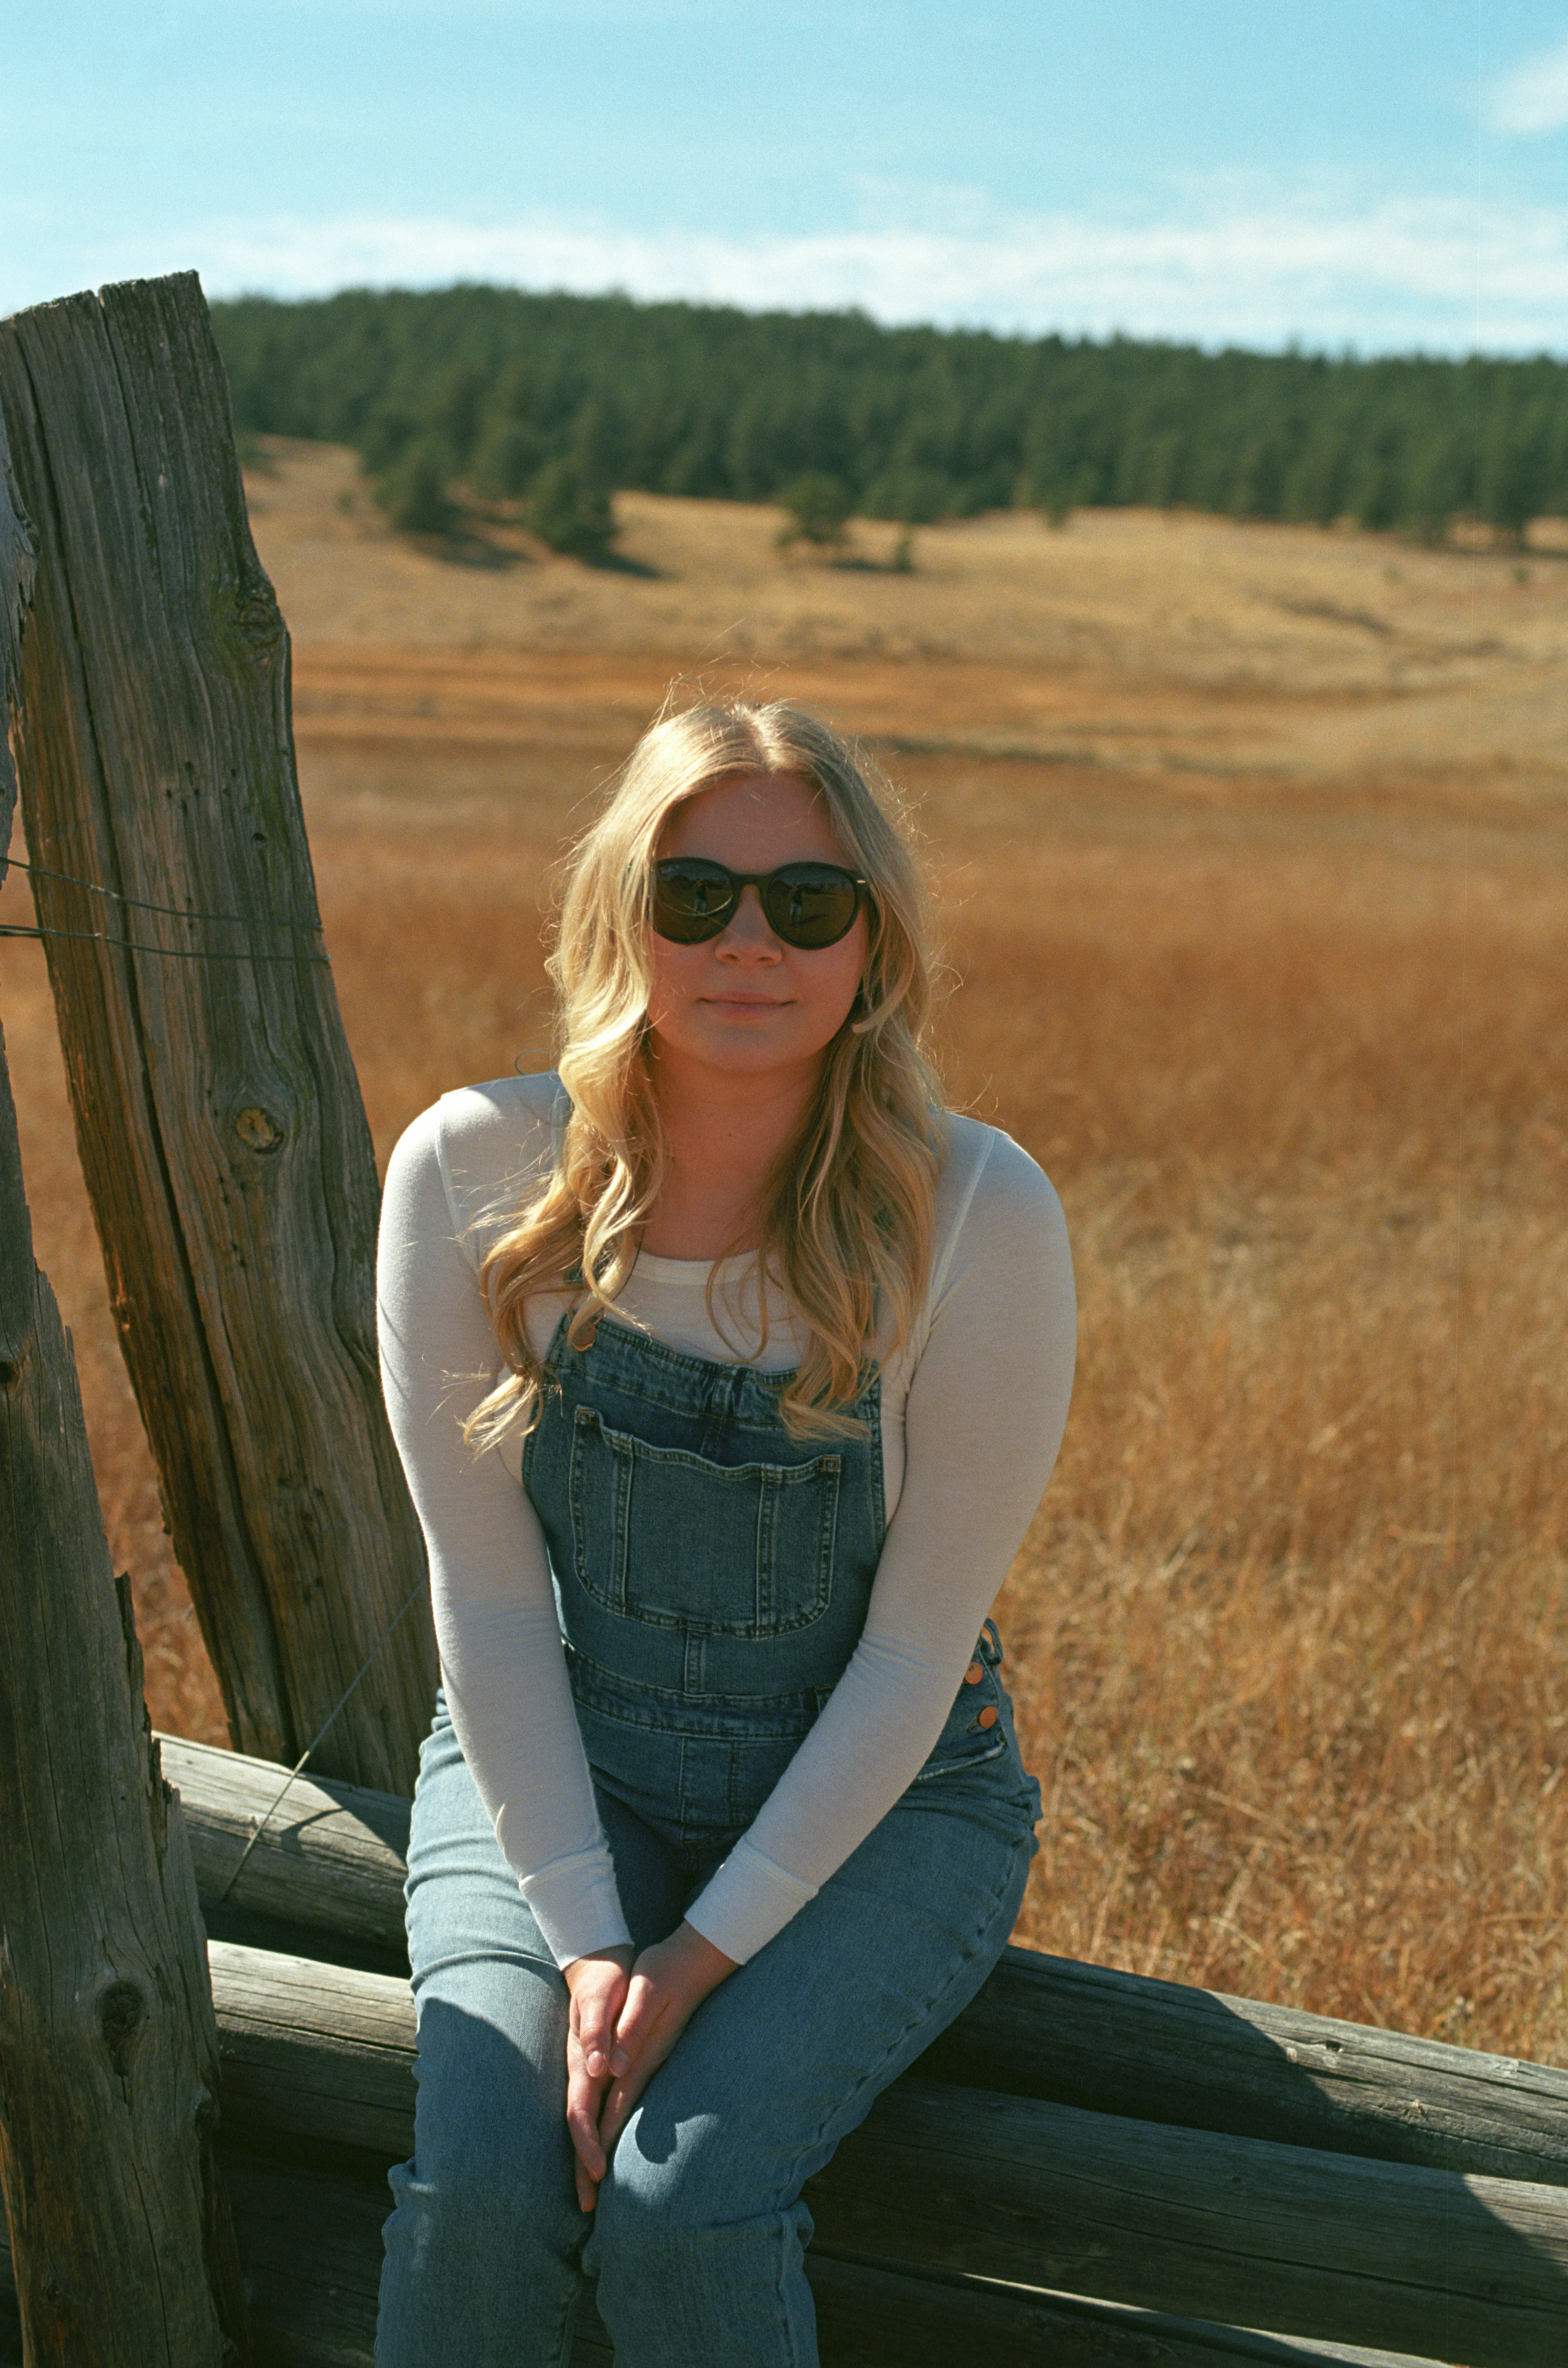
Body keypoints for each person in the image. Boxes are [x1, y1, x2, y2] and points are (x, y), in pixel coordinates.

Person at [372, 697, 1075, 2367]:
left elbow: (912, 1651)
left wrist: (687, 1963)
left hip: (894, 1809)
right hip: (557, 1763)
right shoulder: (475, 1172)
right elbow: (479, 1592)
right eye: (694, 895)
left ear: (871, 941)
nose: (745, 941)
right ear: (620, 910)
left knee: (687, 2207)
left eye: (804, 902)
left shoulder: (975, 1214)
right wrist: (583, 1935)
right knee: (483, 2186)